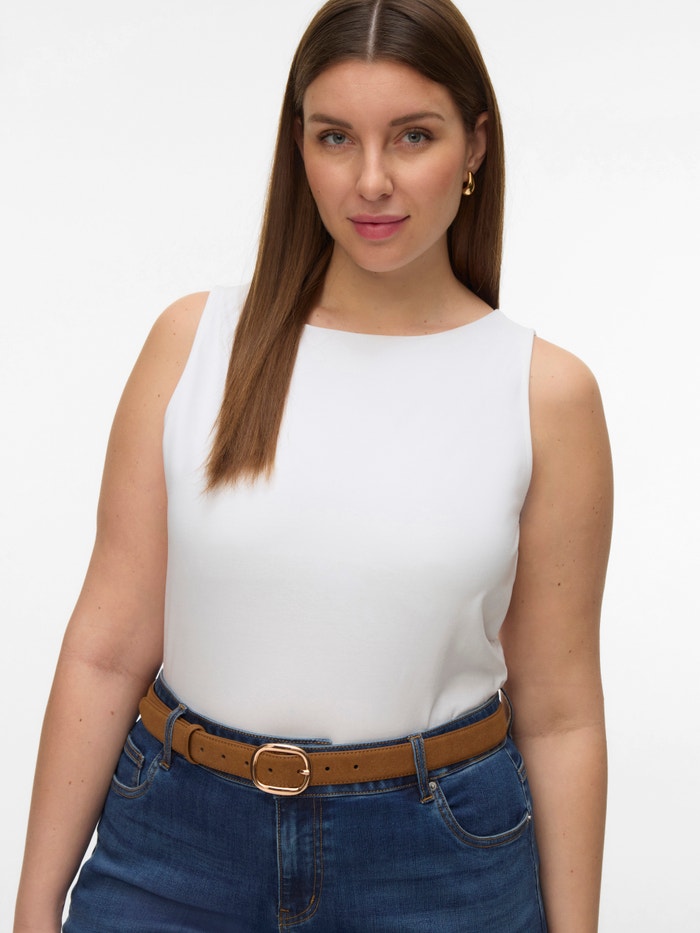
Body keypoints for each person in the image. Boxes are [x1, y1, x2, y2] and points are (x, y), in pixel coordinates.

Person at [14, 0, 612, 930]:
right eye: (337, 137)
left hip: (435, 863)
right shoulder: (196, 343)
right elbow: (106, 648)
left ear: (475, 145)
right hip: (174, 849)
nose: (371, 180)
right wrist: (32, 906)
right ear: (300, 147)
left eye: (413, 136)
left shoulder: (543, 392)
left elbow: (561, 710)